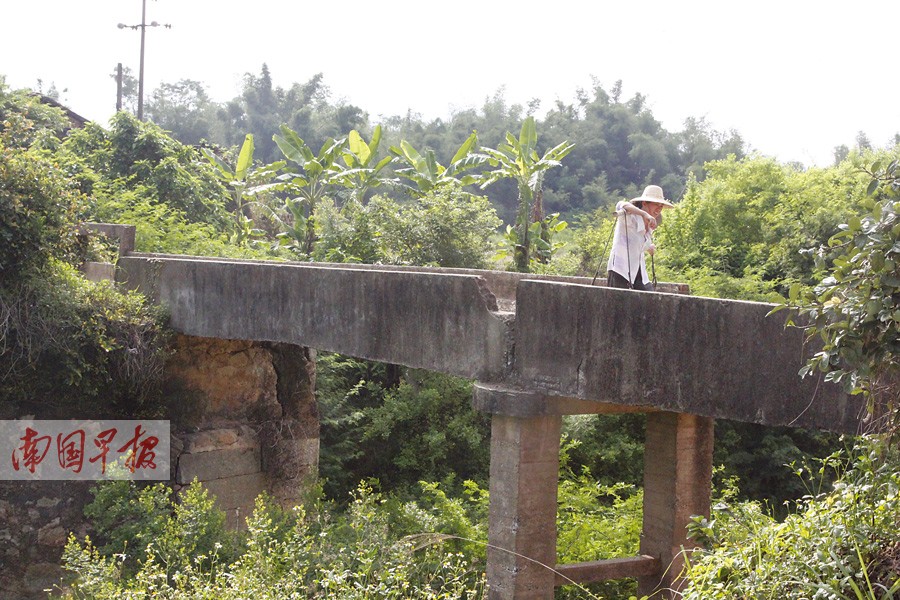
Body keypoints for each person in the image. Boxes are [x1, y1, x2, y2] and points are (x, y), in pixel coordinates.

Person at [606, 184, 674, 291]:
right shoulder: (629, 217)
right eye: (656, 204)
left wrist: (649, 247)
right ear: (644, 203)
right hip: (620, 270)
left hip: (638, 271)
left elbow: (638, 245)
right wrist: (644, 214)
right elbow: (621, 204)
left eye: (661, 206)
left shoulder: (650, 226)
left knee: (650, 298)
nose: (659, 209)